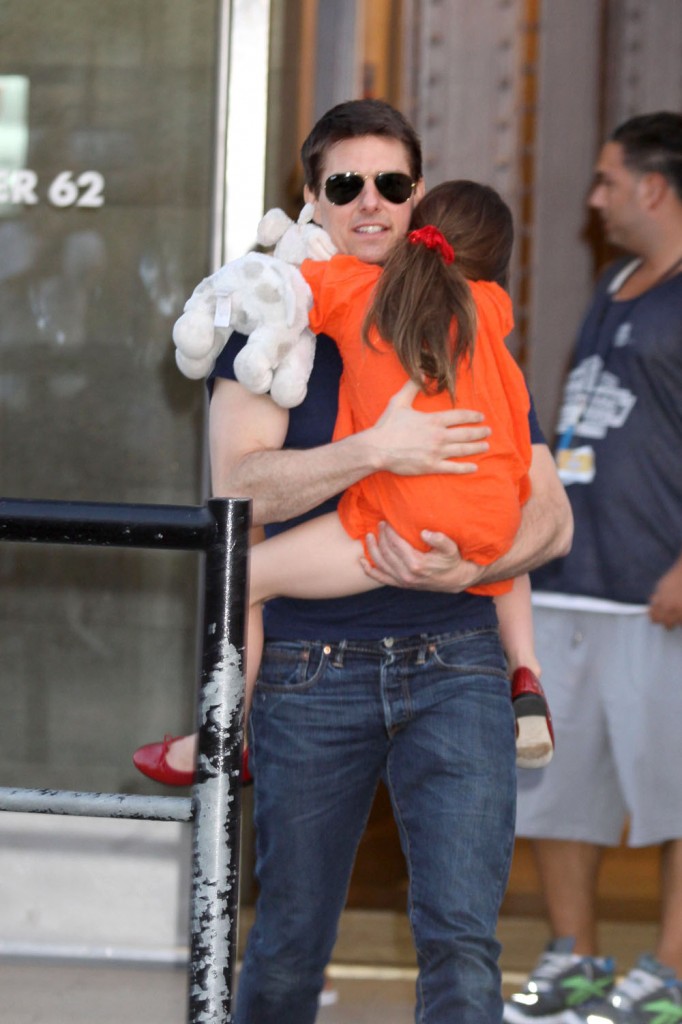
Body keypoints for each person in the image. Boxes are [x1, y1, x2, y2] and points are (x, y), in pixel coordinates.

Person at [151, 99, 573, 1023]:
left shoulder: (462, 320)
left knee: (463, 941)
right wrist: (375, 450)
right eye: (346, 184)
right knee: (292, 937)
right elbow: (239, 500)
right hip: (311, 674)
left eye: (391, 183)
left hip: (457, 658)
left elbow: (552, 518)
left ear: (417, 196)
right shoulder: (274, 322)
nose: (369, 202)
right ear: (313, 195)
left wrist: (472, 566)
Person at [134, 180, 555, 780]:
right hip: (492, 527)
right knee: (491, 513)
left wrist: (286, 250)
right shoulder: (493, 316)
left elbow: (293, 288)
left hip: (400, 525)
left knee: (239, 578)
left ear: (416, 232)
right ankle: (527, 669)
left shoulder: (371, 295)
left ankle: (224, 732)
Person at [503, 111, 682, 1024]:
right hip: (574, 581)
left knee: (675, 790)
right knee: (556, 785)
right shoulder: (615, 282)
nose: (595, 197)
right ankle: (575, 958)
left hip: (658, 594)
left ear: (655, 187)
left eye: (609, 180)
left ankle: (671, 975)